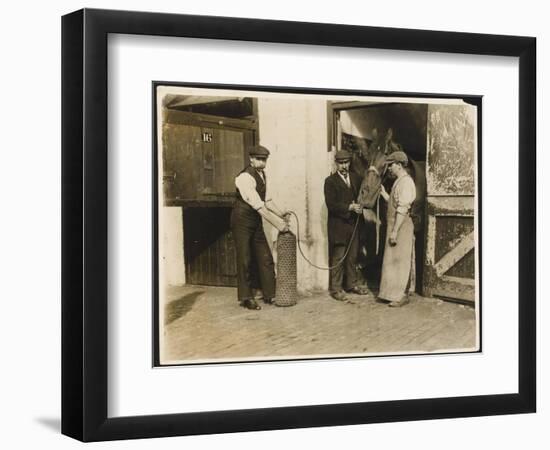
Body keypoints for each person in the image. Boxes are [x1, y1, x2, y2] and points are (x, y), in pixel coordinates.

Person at [230, 145, 289, 310]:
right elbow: (258, 205)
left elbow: (267, 201)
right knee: (245, 258)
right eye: (259, 159)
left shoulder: (262, 175)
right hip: (242, 219)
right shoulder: (244, 178)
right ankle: (246, 297)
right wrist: (277, 223)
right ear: (251, 159)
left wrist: (281, 214)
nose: (263, 163)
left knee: (265, 257)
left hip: (255, 219)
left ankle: (270, 294)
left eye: (265, 160)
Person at [324, 150, 369, 302]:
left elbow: (362, 196)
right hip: (338, 226)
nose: (344, 166)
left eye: (346, 162)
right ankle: (336, 289)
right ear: (336, 164)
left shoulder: (356, 178)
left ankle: (351, 284)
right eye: (341, 163)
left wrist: (362, 206)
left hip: (353, 225)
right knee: (339, 257)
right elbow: (331, 205)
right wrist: (349, 207)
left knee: (352, 257)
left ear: (349, 163)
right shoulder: (330, 181)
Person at [378, 150, 417, 307]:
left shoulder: (406, 182)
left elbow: (402, 208)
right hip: (395, 224)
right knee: (392, 260)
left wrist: (395, 231)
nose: (389, 169)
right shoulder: (399, 181)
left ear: (399, 165)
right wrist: (384, 194)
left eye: (391, 165)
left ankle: (402, 295)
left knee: (401, 260)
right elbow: (394, 203)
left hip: (401, 226)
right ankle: (390, 293)